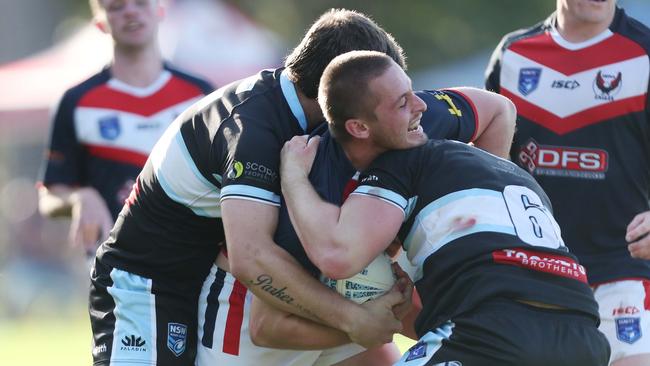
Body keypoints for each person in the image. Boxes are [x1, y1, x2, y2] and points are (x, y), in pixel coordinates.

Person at [88, 8, 417, 366]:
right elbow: (251, 257)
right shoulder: (253, 131)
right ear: (337, 83)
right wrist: (353, 320)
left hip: (201, 276)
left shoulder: (303, 113)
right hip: (146, 284)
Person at [280, 50, 610, 365]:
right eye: (403, 101)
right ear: (359, 127)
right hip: (584, 339)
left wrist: (293, 176)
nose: (421, 105)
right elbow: (500, 107)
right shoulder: (509, 173)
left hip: (497, 331)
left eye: (412, 93)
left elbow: (337, 256)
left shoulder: (404, 161)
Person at [484, 1, 650, 364]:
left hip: (622, 269)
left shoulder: (644, 53)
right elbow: (483, 169)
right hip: (532, 272)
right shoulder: (512, 55)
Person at [37, 0, 213, 257]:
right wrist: (79, 198)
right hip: (113, 267)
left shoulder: (200, 96)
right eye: (117, 7)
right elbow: (50, 197)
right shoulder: (76, 101)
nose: (130, 11)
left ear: (160, 10)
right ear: (100, 23)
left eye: (141, 3)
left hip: (194, 261)